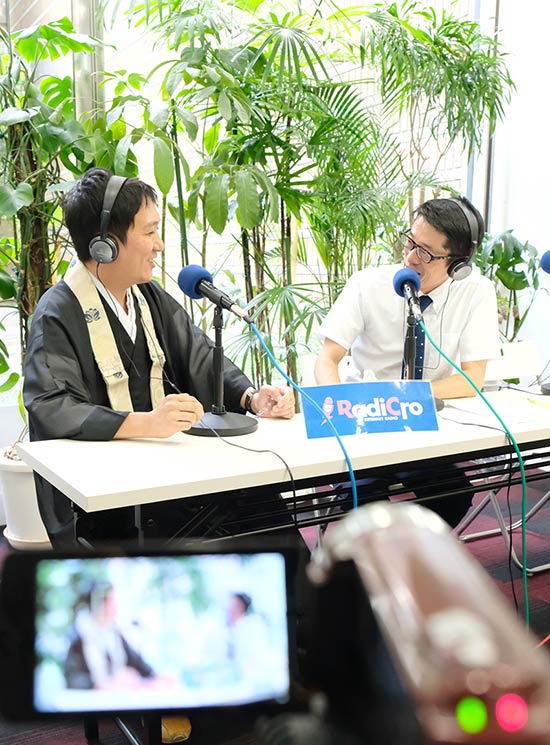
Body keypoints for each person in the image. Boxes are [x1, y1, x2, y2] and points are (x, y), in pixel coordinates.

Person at [23, 168, 295, 549]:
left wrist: (251, 397)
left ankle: (303, 605)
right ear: (106, 244)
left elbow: (198, 356)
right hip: (106, 500)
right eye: (149, 232)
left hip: (166, 476)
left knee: (267, 509)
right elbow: (53, 407)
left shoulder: (148, 298)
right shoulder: (57, 312)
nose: (160, 245)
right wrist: (145, 423)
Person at [314, 196, 500, 527]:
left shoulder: (476, 292)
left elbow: (472, 378)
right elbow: (327, 359)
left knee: (453, 497)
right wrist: (339, 405)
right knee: (360, 504)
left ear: (457, 263)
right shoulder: (367, 284)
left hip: (425, 427)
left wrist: (405, 399)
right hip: (364, 425)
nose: (410, 256)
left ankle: (411, 556)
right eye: (410, 242)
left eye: (425, 252)